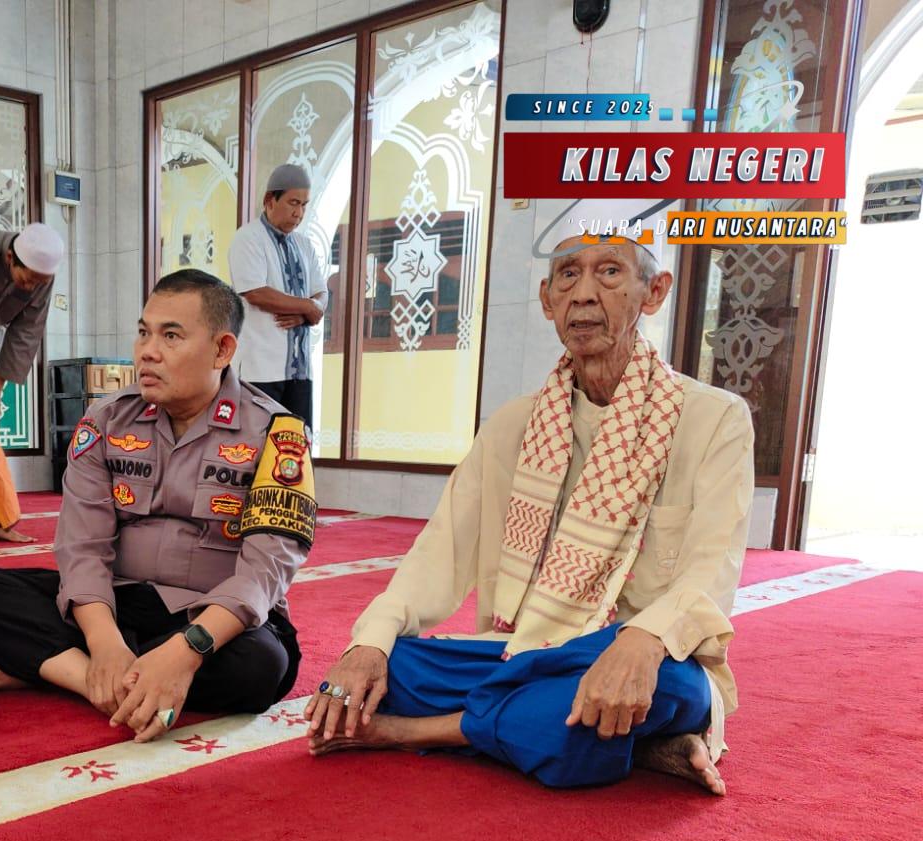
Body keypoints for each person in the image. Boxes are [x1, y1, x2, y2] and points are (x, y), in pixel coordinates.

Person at [306, 208, 754, 794]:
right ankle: (625, 740)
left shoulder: (714, 418)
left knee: (677, 684)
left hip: (640, 652)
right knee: (398, 668)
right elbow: (439, 553)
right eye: (568, 275)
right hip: (524, 652)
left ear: (654, 292)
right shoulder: (514, 424)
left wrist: (640, 642)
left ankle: (419, 732)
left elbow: (708, 575)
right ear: (547, 299)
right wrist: (369, 645)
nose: (584, 294)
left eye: (610, 272)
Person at [0, 269, 316, 742]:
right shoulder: (106, 420)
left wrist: (186, 651)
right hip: (115, 605)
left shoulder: (277, 434)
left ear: (222, 350)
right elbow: (82, 547)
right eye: (144, 332)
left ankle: (59, 668)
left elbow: (264, 573)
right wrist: (104, 642)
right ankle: (98, 675)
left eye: (171, 336)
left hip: (208, 617)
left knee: (261, 666)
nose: (147, 351)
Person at [0, 222, 64, 543]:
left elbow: (26, 332)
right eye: (27, 279)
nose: (31, 288)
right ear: (9, 259)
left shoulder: (41, 278)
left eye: (39, 282)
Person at [228, 164, 328, 427]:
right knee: (257, 445)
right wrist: (308, 307)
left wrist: (306, 314)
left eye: (304, 205)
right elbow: (255, 292)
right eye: (293, 203)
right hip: (259, 372)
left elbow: (322, 293)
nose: (299, 213)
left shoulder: (305, 245)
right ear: (270, 200)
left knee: (298, 445)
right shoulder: (248, 238)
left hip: (300, 372)